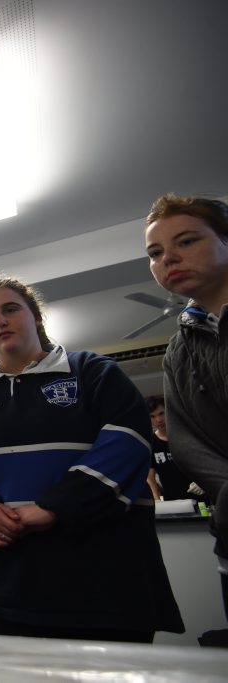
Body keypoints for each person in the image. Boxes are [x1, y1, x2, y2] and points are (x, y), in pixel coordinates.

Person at [0, 276, 182, 642]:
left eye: (11, 309)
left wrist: (54, 508)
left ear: (36, 316)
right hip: (6, 585)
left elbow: (128, 446)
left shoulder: (94, 373)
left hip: (104, 582)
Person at [145, 193, 228, 626]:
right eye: (155, 253)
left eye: (187, 241)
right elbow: (186, 439)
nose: (168, 258)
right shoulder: (179, 351)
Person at [144, 395, 204, 501]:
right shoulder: (151, 443)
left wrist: (204, 483)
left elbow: (206, 463)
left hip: (200, 498)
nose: (158, 420)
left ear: (168, 411)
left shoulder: (188, 435)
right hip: (173, 503)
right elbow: (150, 478)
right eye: (152, 416)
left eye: (161, 413)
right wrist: (157, 500)